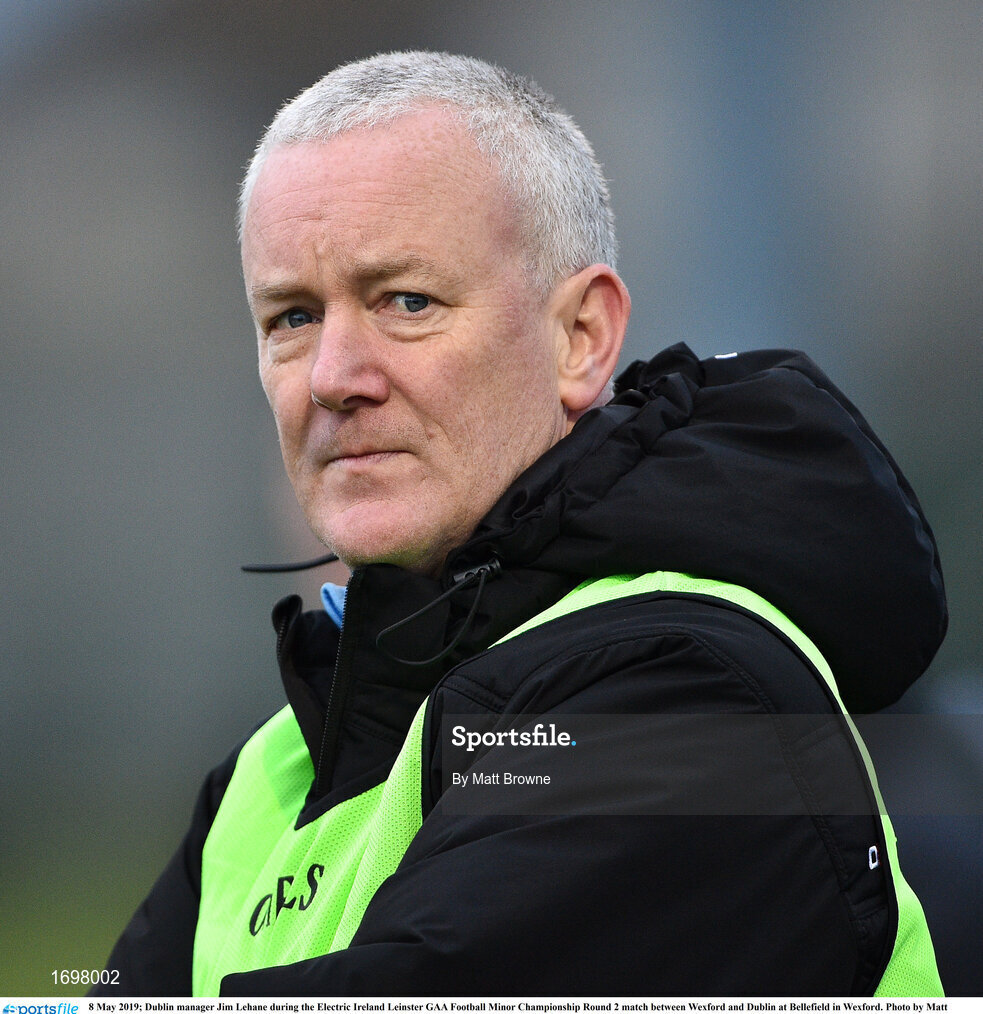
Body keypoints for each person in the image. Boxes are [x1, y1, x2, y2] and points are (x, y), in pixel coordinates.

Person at [94, 51, 947, 996]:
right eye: (291, 316)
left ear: (580, 337)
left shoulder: (688, 688)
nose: (333, 376)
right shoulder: (273, 768)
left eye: (405, 302)